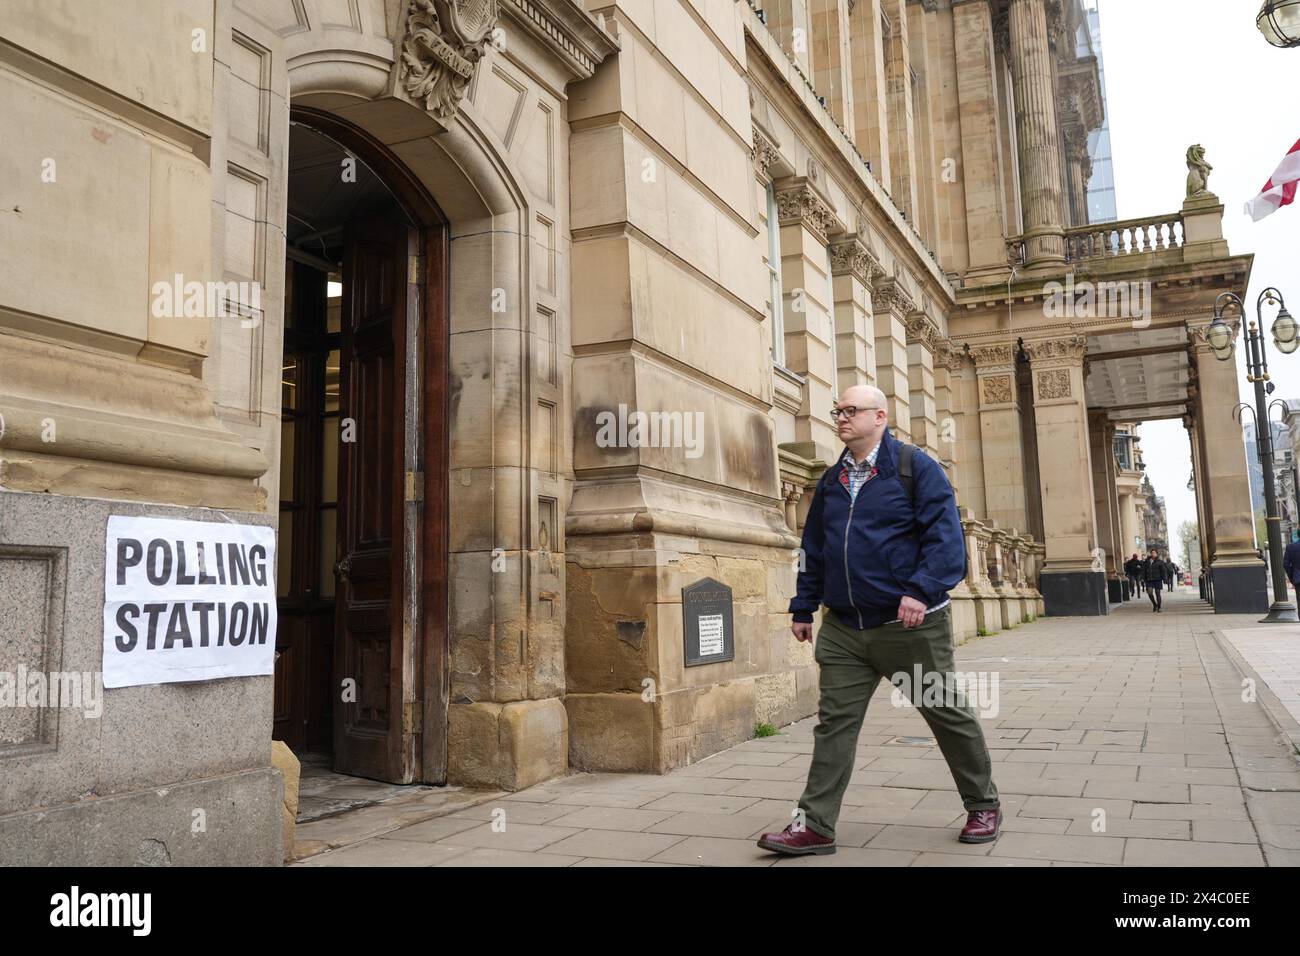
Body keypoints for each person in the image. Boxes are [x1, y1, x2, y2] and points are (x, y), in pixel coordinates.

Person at [757, 385, 999, 857]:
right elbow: (815, 549)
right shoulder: (832, 480)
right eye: (838, 411)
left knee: (946, 714)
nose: (841, 418)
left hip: (908, 628)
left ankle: (983, 804)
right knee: (834, 726)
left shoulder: (914, 468)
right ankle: (815, 826)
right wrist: (804, 605)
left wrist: (921, 589)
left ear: (880, 417)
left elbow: (946, 541)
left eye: (851, 411)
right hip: (846, 629)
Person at [1142, 548, 1167, 612]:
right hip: (1149, 579)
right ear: (1150, 554)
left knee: (1157, 593)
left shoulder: (1160, 562)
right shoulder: (1146, 562)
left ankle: (1159, 607)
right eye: (1152, 553)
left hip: (1157, 579)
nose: (1153, 554)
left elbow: (1163, 571)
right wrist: (1143, 578)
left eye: (1154, 553)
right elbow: (1144, 571)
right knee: (1149, 592)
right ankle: (1154, 604)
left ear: (1156, 554)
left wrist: (1165, 579)